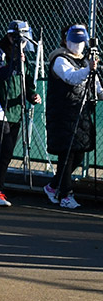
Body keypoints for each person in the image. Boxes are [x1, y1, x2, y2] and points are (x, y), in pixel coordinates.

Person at [0, 20, 41, 207]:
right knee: (5, 150)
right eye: (19, 38)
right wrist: (14, 62)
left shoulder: (22, 54)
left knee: (6, 153)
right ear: (10, 36)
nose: (22, 43)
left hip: (16, 111)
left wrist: (31, 94)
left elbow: (27, 78)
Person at [44, 25, 102, 209]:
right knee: (66, 154)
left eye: (81, 42)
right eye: (74, 41)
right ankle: (66, 194)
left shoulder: (85, 61)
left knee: (78, 153)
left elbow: (97, 88)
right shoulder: (59, 59)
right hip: (63, 113)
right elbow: (71, 78)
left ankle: (53, 186)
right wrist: (88, 69)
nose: (78, 46)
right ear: (66, 40)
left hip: (81, 112)